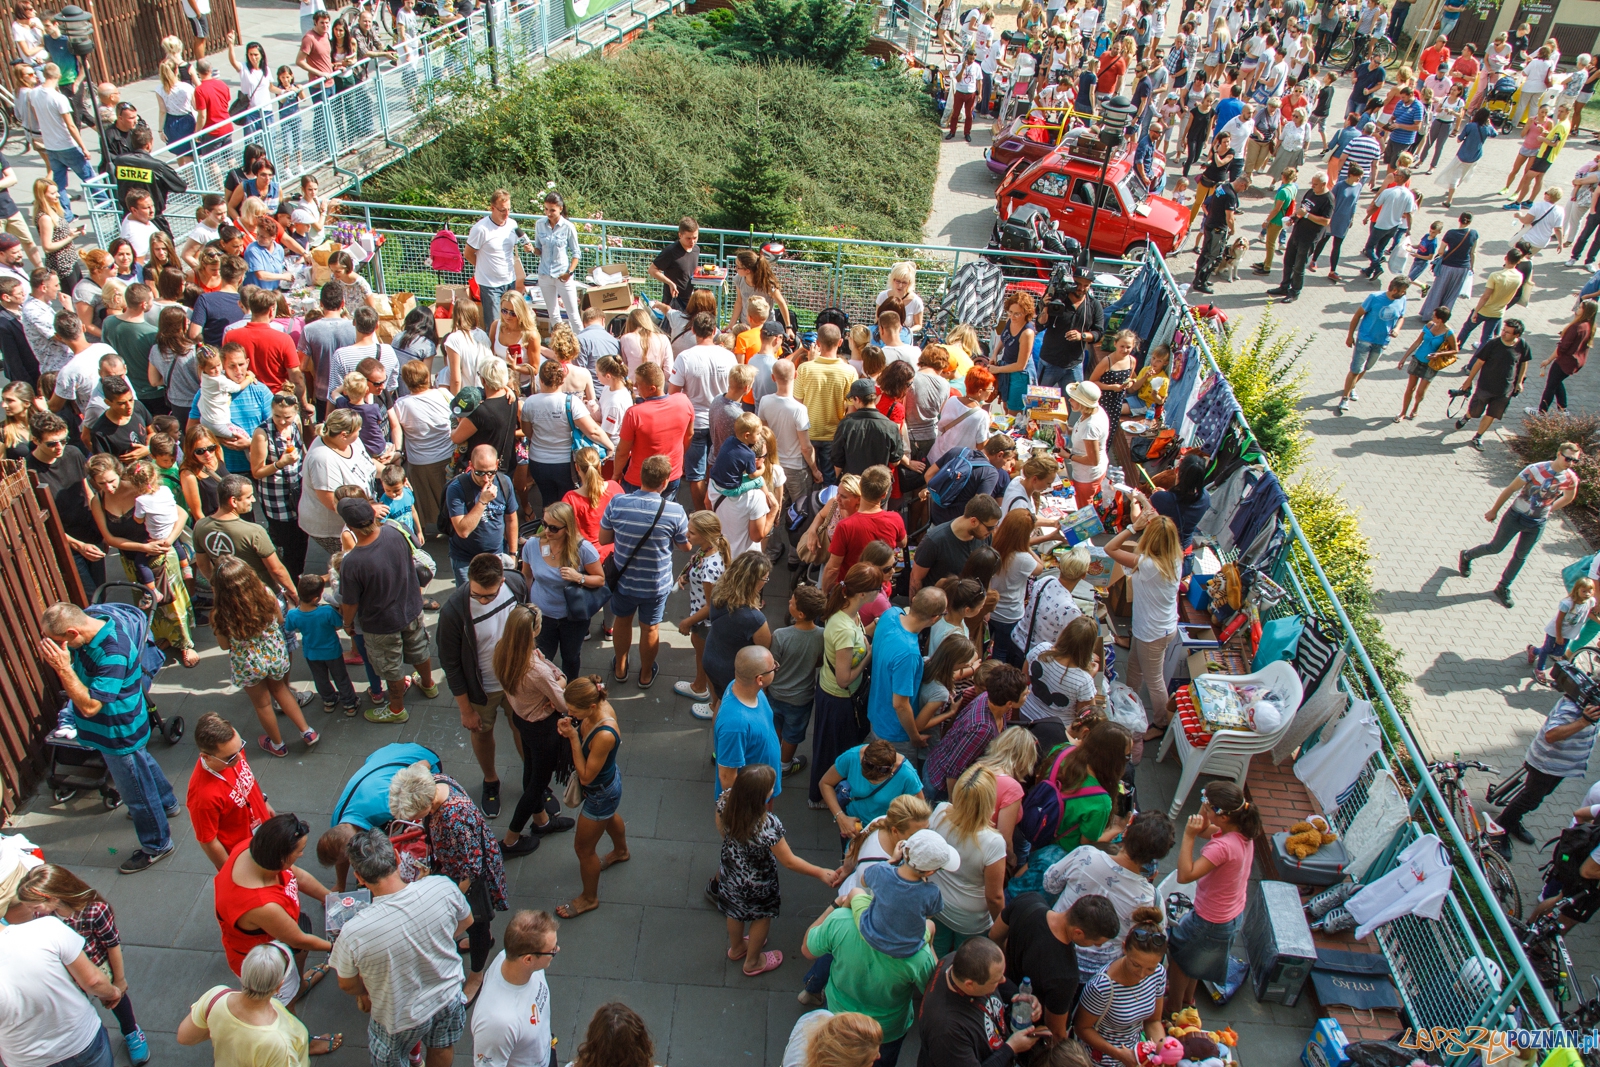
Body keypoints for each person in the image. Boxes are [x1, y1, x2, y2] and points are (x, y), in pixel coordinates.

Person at [38, 600, 178, 874]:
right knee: (142, 762)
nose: (55, 649)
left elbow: (91, 706)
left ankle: (157, 844)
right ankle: (168, 802)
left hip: (118, 733)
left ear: (72, 634)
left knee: (136, 794)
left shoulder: (112, 653)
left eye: (56, 642)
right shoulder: (93, 621)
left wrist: (64, 669)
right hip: (125, 725)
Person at [330, 828, 474, 1067]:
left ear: (359, 877)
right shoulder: (442, 887)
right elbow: (466, 921)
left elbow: (346, 982)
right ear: (397, 858)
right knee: (442, 1046)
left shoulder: (354, 932)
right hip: (446, 995)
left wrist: (364, 993)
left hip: (397, 1015)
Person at [386, 763, 507, 1001]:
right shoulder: (435, 782)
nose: (413, 820)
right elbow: (421, 765)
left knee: (476, 922)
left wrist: (450, 902)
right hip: (457, 862)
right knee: (473, 925)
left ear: (429, 806)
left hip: (471, 877)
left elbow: (471, 872)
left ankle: (477, 974)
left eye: (414, 816)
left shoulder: (454, 820)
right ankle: (480, 940)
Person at [14, 864, 151, 1065]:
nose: (32, 912)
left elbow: (112, 945)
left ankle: (131, 1031)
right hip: (65, 971)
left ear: (53, 897)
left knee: (117, 999)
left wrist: (119, 980)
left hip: (97, 965)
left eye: (34, 907)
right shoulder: (43, 915)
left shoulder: (95, 910)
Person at [713, 763, 841, 977]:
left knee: (733, 911)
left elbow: (721, 829)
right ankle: (753, 961)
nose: (773, 789)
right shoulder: (767, 824)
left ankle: (736, 948)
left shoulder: (725, 799)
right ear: (760, 797)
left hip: (731, 868)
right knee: (761, 917)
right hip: (758, 880)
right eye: (771, 788)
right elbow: (789, 860)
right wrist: (819, 872)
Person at [800, 878, 937, 1067]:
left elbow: (807, 949)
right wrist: (929, 941)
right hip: (886, 1031)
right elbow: (932, 989)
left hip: (839, 1015)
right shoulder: (918, 954)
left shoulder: (841, 921)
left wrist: (835, 905)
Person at [338, 495, 441, 723]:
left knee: (392, 667)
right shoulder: (396, 531)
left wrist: (347, 624)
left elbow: (350, 602)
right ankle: (428, 685)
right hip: (412, 608)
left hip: (381, 623)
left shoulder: (352, 562)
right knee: (419, 649)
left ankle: (396, 709)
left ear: (350, 526)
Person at [213, 813, 332, 1007]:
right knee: (283, 1005)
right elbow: (298, 939)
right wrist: (339, 947)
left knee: (300, 950)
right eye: (299, 851)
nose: (301, 855)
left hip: (283, 931)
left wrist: (332, 899)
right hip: (266, 963)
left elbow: (297, 876)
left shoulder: (252, 848)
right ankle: (303, 1037)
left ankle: (299, 985)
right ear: (281, 858)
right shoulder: (262, 905)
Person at [490, 603, 577, 856]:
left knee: (531, 772)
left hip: (522, 722)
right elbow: (562, 701)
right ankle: (510, 840)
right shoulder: (536, 669)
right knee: (537, 785)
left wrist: (554, 680)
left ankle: (542, 822)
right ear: (534, 631)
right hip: (543, 730)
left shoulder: (503, 651)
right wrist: (560, 680)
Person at [1046, 811, 1176, 980]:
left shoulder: (1085, 856)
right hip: (1098, 975)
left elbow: (1050, 884)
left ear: (1127, 832)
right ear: (1156, 857)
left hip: (1055, 943)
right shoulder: (1151, 899)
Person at [210, 556, 320, 757]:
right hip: (274, 653)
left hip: (248, 663)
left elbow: (224, 645)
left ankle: (278, 745)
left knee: (262, 704)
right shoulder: (266, 593)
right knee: (281, 690)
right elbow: (279, 619)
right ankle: (308, 732)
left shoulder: (220, 613)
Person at [0, 897, 128, 1067]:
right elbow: (93, 980)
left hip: (27, 1058)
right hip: (80, 1039)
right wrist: (114, 992)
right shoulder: (46, 928)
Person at [601, 453, 690, 687]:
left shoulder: (617, 503)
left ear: (640, 477)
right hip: (655, 583)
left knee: (622, 621)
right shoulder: (675, 511)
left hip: (624, 580)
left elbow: (603, 538)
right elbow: (685, 546)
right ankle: (646, 674)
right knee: (650, 628)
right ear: (665, 482)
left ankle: (620, 667)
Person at [1458, 440, 1581, 609]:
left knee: (1521, 556)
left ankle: (1503, 586)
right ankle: (1467, 556)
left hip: (1537, 523)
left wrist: (1549, 509)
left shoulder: (1569, 478)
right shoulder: (1535, 469)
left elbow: (1568, 497)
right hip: (1515, 517)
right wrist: (1494, 510)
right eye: (1569, 459)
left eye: (1575, 461)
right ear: (1559, 454)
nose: (1571, 463)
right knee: (1496, 547)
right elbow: (1511, 489)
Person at [988, 892, 1120, 1040]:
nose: (1098, 946)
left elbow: (994, 936)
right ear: (1078, 932)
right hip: (1026, 1026)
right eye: (1096, 943)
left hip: (998, 995)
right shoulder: (1066, 974)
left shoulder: (1028, 900)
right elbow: (1055, 1030)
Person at [318, 743, 443, 890]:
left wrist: (418, 821)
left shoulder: (388, 803)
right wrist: (340, 885)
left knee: (421, 816)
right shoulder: (338, 823)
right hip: (386, 755)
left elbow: (424, 766)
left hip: (423, 758)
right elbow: (341, 858)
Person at [554, 676, 629, 918]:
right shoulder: (599, 706)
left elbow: (585, 777)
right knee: (609, 816)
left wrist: (573, 737)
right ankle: (620, 851)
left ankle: (589, 898)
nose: (570, 714)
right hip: (608, 784)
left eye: (574, 710)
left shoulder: (605, 734)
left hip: (599, 792)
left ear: (592, 707)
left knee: (584, 849)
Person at [1103, 515, 1183, 739]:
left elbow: (1110, 548)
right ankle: (1128, 704)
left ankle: (1160, 723)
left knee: (1154, 680)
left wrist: (1132, 527)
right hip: (1158, 627)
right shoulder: (1174, 558)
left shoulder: (1148, 565)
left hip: (1152, 633)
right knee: (1134, 666)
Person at [919, 937, 1048, 1067]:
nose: (1003, 981)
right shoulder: (945, 1031)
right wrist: (1011, 1048)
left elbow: (1001, 985)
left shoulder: (959, 962)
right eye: (995, 981)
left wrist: (1020, 998)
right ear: (969, 985)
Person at [1073, 908, 1169, 1066]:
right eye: (1136, 965)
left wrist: (1161, 1048)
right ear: (1124, 948)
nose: (1142, 974)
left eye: (1150, 968)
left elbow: (1153, 1021)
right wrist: (1119, 1054)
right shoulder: (1102, 987)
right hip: (1101, 1060)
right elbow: (1082, 1028)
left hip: (1138, 1056)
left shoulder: (1158, 974)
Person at [470, 910, 560, 1067]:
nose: (557, 950)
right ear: (528, 959)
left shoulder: (513, 957)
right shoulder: (497, 1023)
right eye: (552, 950)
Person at [186, 711, 273, 870]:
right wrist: (230, 873)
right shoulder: (202, 796)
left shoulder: (233, 752)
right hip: (245, 857)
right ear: (206, 757)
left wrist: (263, 802)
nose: (240, 757)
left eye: (241, 747)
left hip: (264, 835)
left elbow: (247, 779)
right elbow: (208, 842)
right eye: (231, 757)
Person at [1452, 317, 1534, 454]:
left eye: (1507, 332)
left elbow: (1524, 362)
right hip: (1485, 386)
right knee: (1476, 411)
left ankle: (1478, 436)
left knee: (1491, 414)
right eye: (1503, 330)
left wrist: (1519, 381)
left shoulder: (1522, 345)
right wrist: (1469, 380)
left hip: (1505, 390)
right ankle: (1467, 416)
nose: (1503, 333)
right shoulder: (1493, 344)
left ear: (1517, 335)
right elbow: (1479, 362)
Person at [1336, 275, 1409, 414]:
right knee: (1356, 369)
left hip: (1382, 342)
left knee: (1367, 367)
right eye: (1402, 291)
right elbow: (1357, 315)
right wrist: (1350, 335)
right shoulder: (1375, 298)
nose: (1404, 293)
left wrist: (1397, 329)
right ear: (1394, 289)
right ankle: (1344, 398)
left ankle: (1352, 387)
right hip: (1365, 339)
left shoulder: (1402, 300)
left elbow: (1401, 317)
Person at [466, 189, 530, 318]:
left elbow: (519, 243)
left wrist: (528, 247)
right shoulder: (481, 229)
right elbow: (468, 253)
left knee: (511, 319)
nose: (506, 213)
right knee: (494, 323)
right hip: (490, 285)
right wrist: (484, 268)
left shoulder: (512, 224)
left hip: (509, 280)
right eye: (502, 210)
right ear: (492, 208)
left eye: (508, 209)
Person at [1532, 301, 1598, 416]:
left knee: (1551, 386)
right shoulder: (1589, 326)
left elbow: (1562, 348)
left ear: (1585, 311)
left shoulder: (1576, 327)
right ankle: (1563, 409)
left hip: (1565, 362)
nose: (1577, 308)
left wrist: (1548, 360)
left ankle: (1541, 412)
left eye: (1581, 307)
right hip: (1576, 362)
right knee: (1557, 382)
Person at [1394, 308, 1459, 422]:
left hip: (1431, 365)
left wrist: (1439, 354)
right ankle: (1403, 412)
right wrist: (1404, 358)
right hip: (1417, 360)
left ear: (1440, 319)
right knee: (1410, 388)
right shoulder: (1429, 325)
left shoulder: (1449, 333)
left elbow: (1455, 350)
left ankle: (1415, 407)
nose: (1432, 317)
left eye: (1434, 316)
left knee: (1420, 392)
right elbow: (1417, 342)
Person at [1532, 576, 1596, 685]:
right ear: (1577, 590)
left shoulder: (1590, 601)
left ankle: (1534, 650)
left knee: (1559, 652)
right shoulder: (1567, 604)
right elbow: (1559, 621)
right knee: (1547, 649)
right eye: (1584, 591)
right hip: (1556, 631)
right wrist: (1558, 636)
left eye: (1590, 591)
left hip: (1568, 633)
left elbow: (1589, 613)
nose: (1587, 594)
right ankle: (1539, 669)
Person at [647, 216, 699, 311]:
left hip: (689, 301)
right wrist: (670, 283)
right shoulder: (670, 251)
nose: (692, 241)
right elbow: (652, 270)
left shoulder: (696, 250)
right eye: (688, 238)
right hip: (673, 302)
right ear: (680, 235)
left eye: (695, 238)